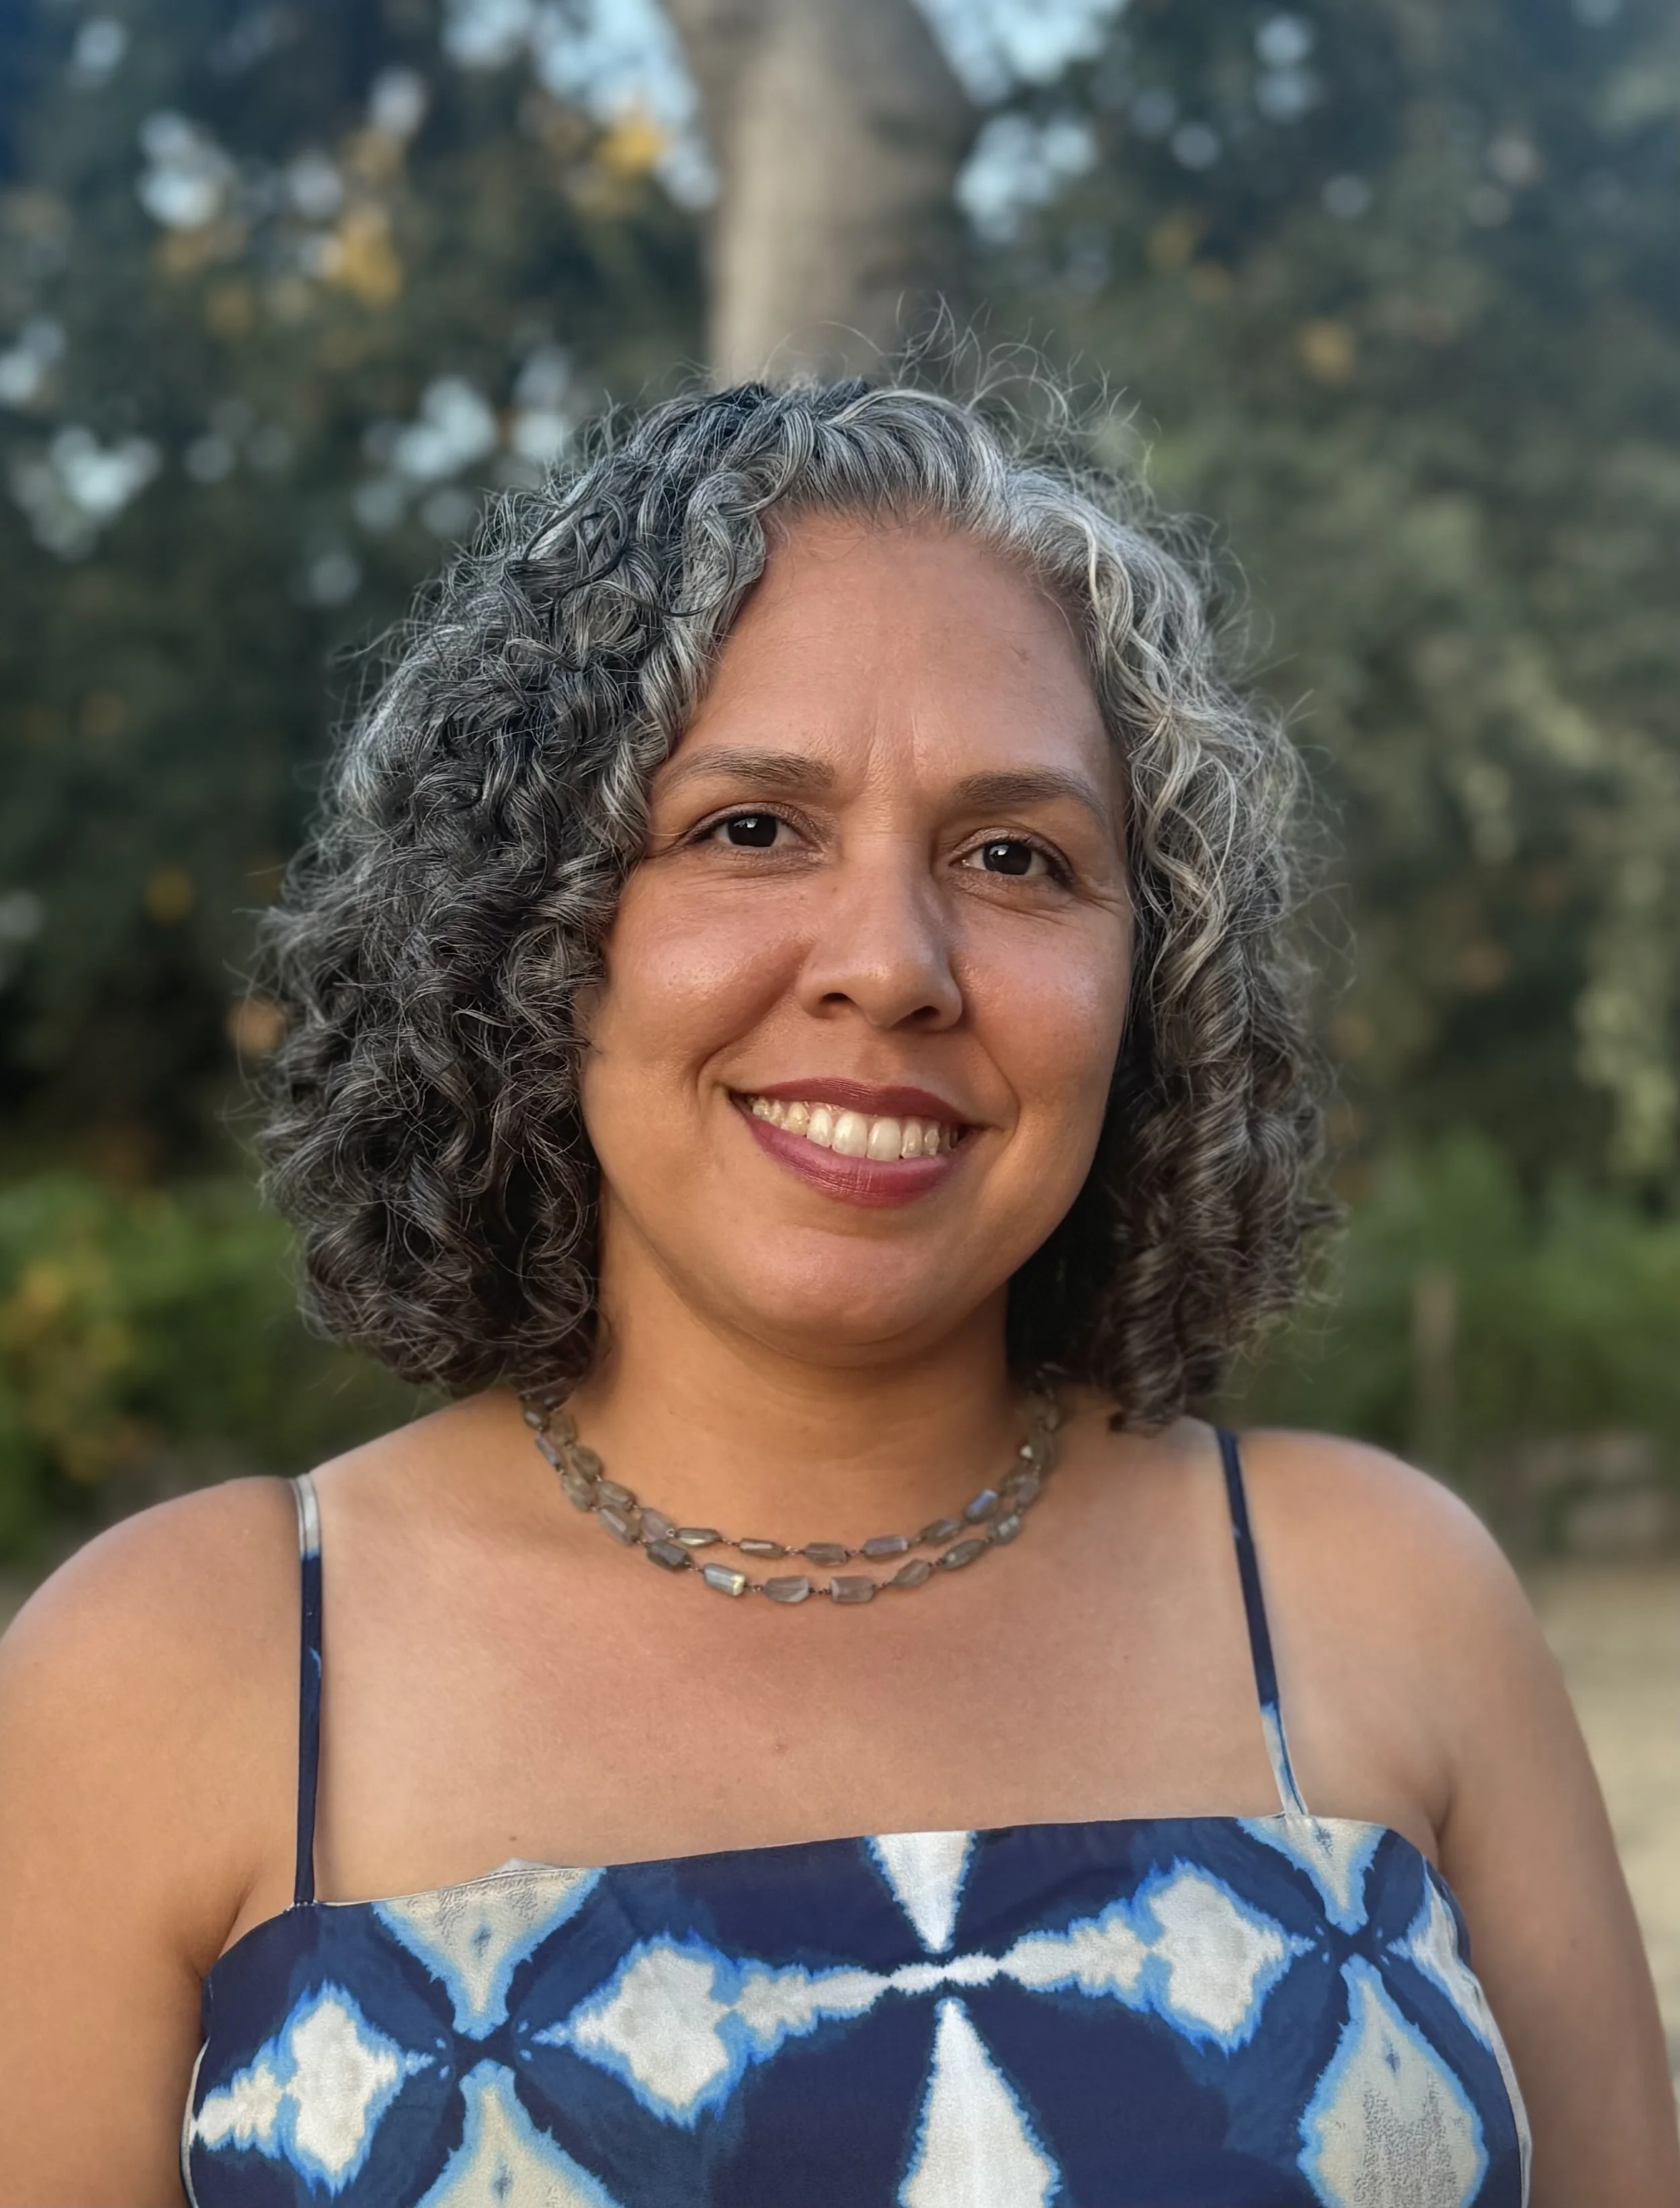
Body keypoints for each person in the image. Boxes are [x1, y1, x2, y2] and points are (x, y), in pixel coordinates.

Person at [1, 381, 1674, 2208]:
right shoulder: (181, 1672)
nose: (890, 962)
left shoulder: (1378, 1602)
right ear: (526, 926)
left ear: (1156, 979)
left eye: (1015, 855)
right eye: (749, 828)